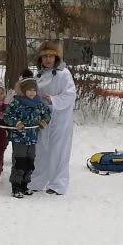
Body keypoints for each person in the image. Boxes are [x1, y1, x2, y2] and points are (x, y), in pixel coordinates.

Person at [28, 42, 77, 195]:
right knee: (41, 150)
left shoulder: (63, 74)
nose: (48, 60)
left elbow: (70, 95)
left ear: (56, 57)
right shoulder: (39, 76)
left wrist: (53, 100)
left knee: (59, 151)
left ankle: (58, 184)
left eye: (51, 56)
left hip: (60, 119)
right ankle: (38, 180)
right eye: (45, 57)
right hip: (43, 119)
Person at [3, 77, 53, 198]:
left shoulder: (39, 103)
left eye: (33, 90)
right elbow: (7, 116)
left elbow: (47, 113)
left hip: (32, 138)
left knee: (29, 162)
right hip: (19, 138)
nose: (31, 92)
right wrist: (17, 123)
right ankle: (16, 186)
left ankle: (25, 184)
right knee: (19, 161)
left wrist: (44, 121)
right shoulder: (17, 102)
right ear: (23, 91)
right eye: (29, 90)